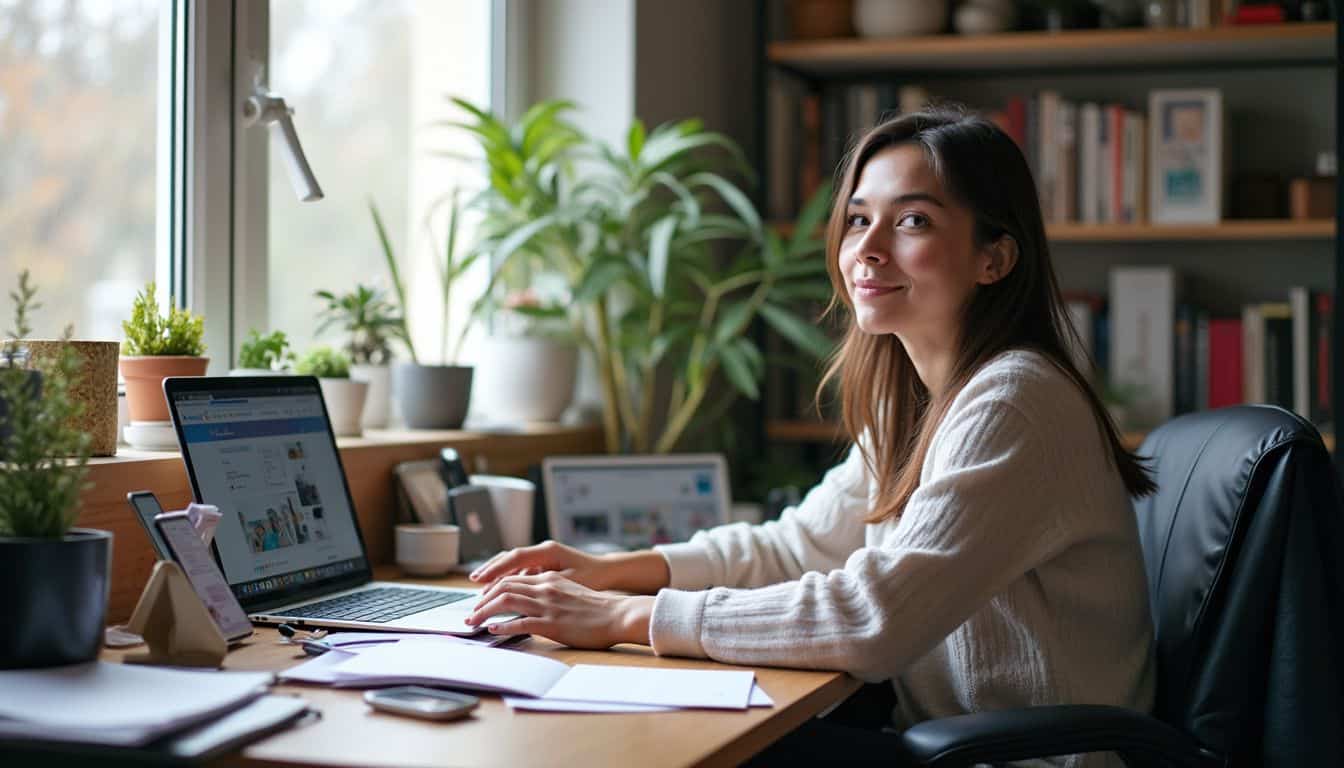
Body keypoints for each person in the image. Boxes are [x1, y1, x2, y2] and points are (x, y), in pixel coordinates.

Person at [466, 108, 1157, 767]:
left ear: (994, 259)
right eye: (859, 219)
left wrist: (620, 616)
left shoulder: (1014, 400)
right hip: (940, 740)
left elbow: (872, 618)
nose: (868, 249)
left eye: (911, 220)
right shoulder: (916, 402)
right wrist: (610, 571)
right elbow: (800, 547)